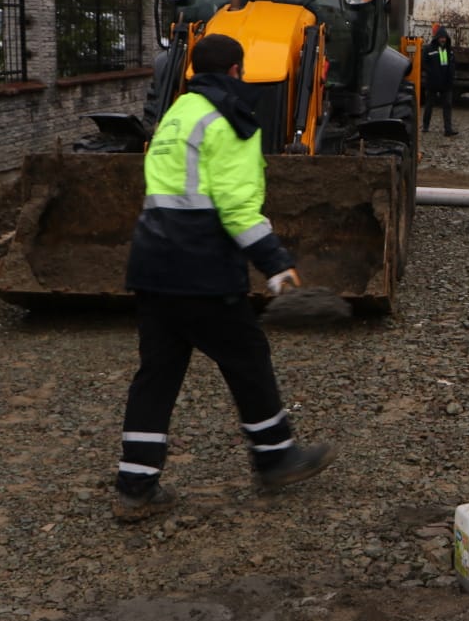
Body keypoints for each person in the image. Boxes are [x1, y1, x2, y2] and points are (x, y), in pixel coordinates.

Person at [113, 33, 336, 522]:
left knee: (157, 375)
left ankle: (135, 487)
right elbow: (236, 206)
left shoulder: (177, 115)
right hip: (202, 270)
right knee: (248, 359)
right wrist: (276, 263)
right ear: (237, 70)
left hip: (152, 266)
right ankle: (276, 457)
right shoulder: (231, 118)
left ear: (193, 69)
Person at [420, 26, 458, 137]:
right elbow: (424, 63)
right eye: (441, 37)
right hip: (433, 82)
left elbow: (453, 64)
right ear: (437, 38)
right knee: (429, 105)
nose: (443, 40)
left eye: (444, 38)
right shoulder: (428, 49)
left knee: (447, 105)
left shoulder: (449, 50)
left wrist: (451, 75)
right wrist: (431, 73)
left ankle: (448, 129)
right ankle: (425, 126)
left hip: (446, 83)